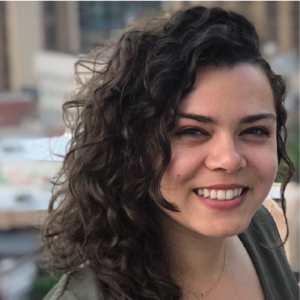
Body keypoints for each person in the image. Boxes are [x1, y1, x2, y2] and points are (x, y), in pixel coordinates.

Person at [40, 6, 299, 300]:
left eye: (254, 131)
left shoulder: (260, 229)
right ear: (132, 146)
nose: (229, 159)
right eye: (191, 132)